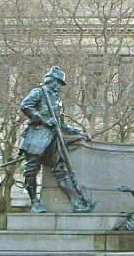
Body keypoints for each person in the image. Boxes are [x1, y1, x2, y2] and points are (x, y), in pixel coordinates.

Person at [18, 66, 92, 213]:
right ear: (50, 81)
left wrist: (79, 133)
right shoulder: (38, 93)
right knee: (31, 171)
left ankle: (76, 203)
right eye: (57, 83)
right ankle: (34, 202)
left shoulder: (57, 100)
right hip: (36, 138)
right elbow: (25, 106)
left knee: (61, 171)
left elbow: (61, 124)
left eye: (60, 84)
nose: (58, 86)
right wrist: (44, 120)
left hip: (53, 140)